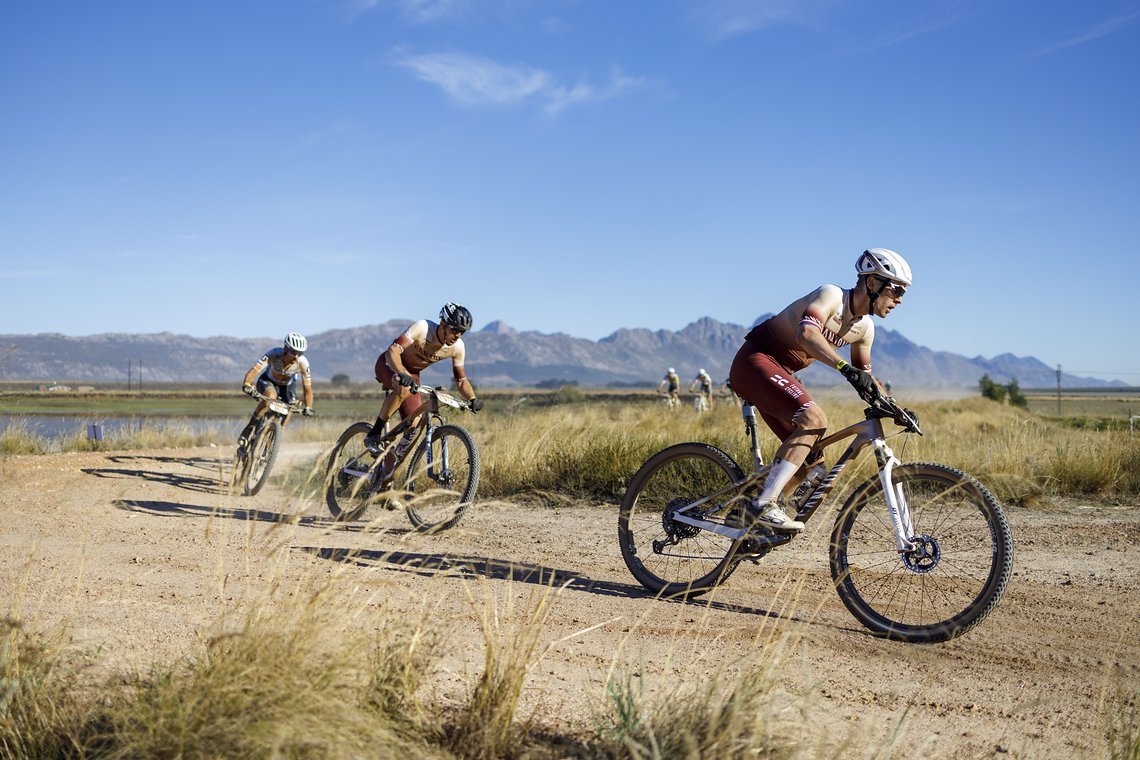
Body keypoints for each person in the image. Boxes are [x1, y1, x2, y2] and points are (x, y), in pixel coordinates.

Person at [728, 248, 911, 534]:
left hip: (781, 375)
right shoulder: (832, 297)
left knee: (813, 469)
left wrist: (893, 407)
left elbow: (865, 379)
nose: (899, 300)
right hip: (756, 362)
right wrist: (842, 366)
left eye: (903, 294)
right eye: (897, 291)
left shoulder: (865, 329)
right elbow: (807, 334)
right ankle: (763, 506)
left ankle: (746, 519)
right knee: (815, 419)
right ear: (872, 283)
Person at [363, 302, 483, 454]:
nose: (457, 335)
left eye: (462, 332)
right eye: (455, 330)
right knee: (404, 388)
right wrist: (401, 372)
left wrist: (472, 398)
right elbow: (393, 351)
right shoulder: (423, 328)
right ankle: (373, 434)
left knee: (414, 425)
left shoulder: (458, 347)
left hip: (412, 374)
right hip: (390, 364)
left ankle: (391, 460)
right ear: (443, 323)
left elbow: (461, 381)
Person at [240, 332, 314, 442]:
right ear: (285, 348)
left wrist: (308, 407)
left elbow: (307, 388)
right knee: (271, 397)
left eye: (300, 353)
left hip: (287, 386)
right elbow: (255, 370)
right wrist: (247, 384)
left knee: (291, 407)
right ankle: (250, 428)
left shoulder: (303, 363)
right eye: (294, 352)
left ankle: (276, 438)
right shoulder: (273, 354)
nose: (297, 356)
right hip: (268, 380)